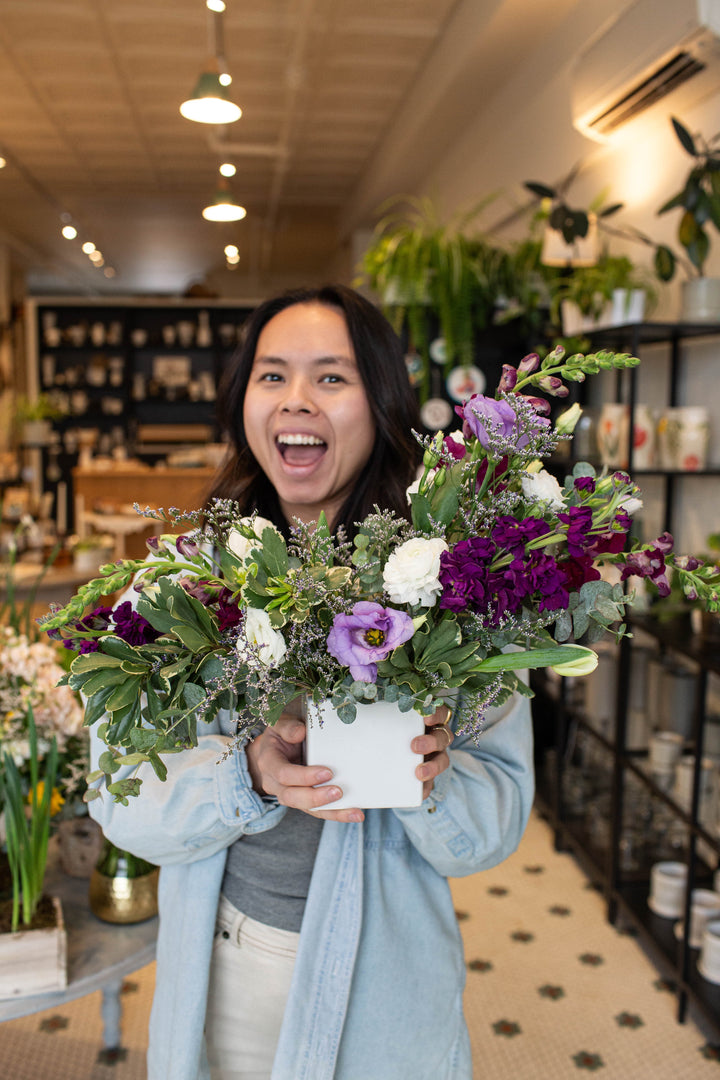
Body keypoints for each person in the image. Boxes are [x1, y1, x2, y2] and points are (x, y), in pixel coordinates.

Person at [89, 285, 534, 1080]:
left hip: (387, 984)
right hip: (226, 970)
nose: (298, 398)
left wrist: (430, 777)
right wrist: (245, 776)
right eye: (272, 375)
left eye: (332, 377)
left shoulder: (453, 587)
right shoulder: (179, 586)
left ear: (382, 402)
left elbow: (494, 822)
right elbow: (118, 794)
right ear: (242, 402)